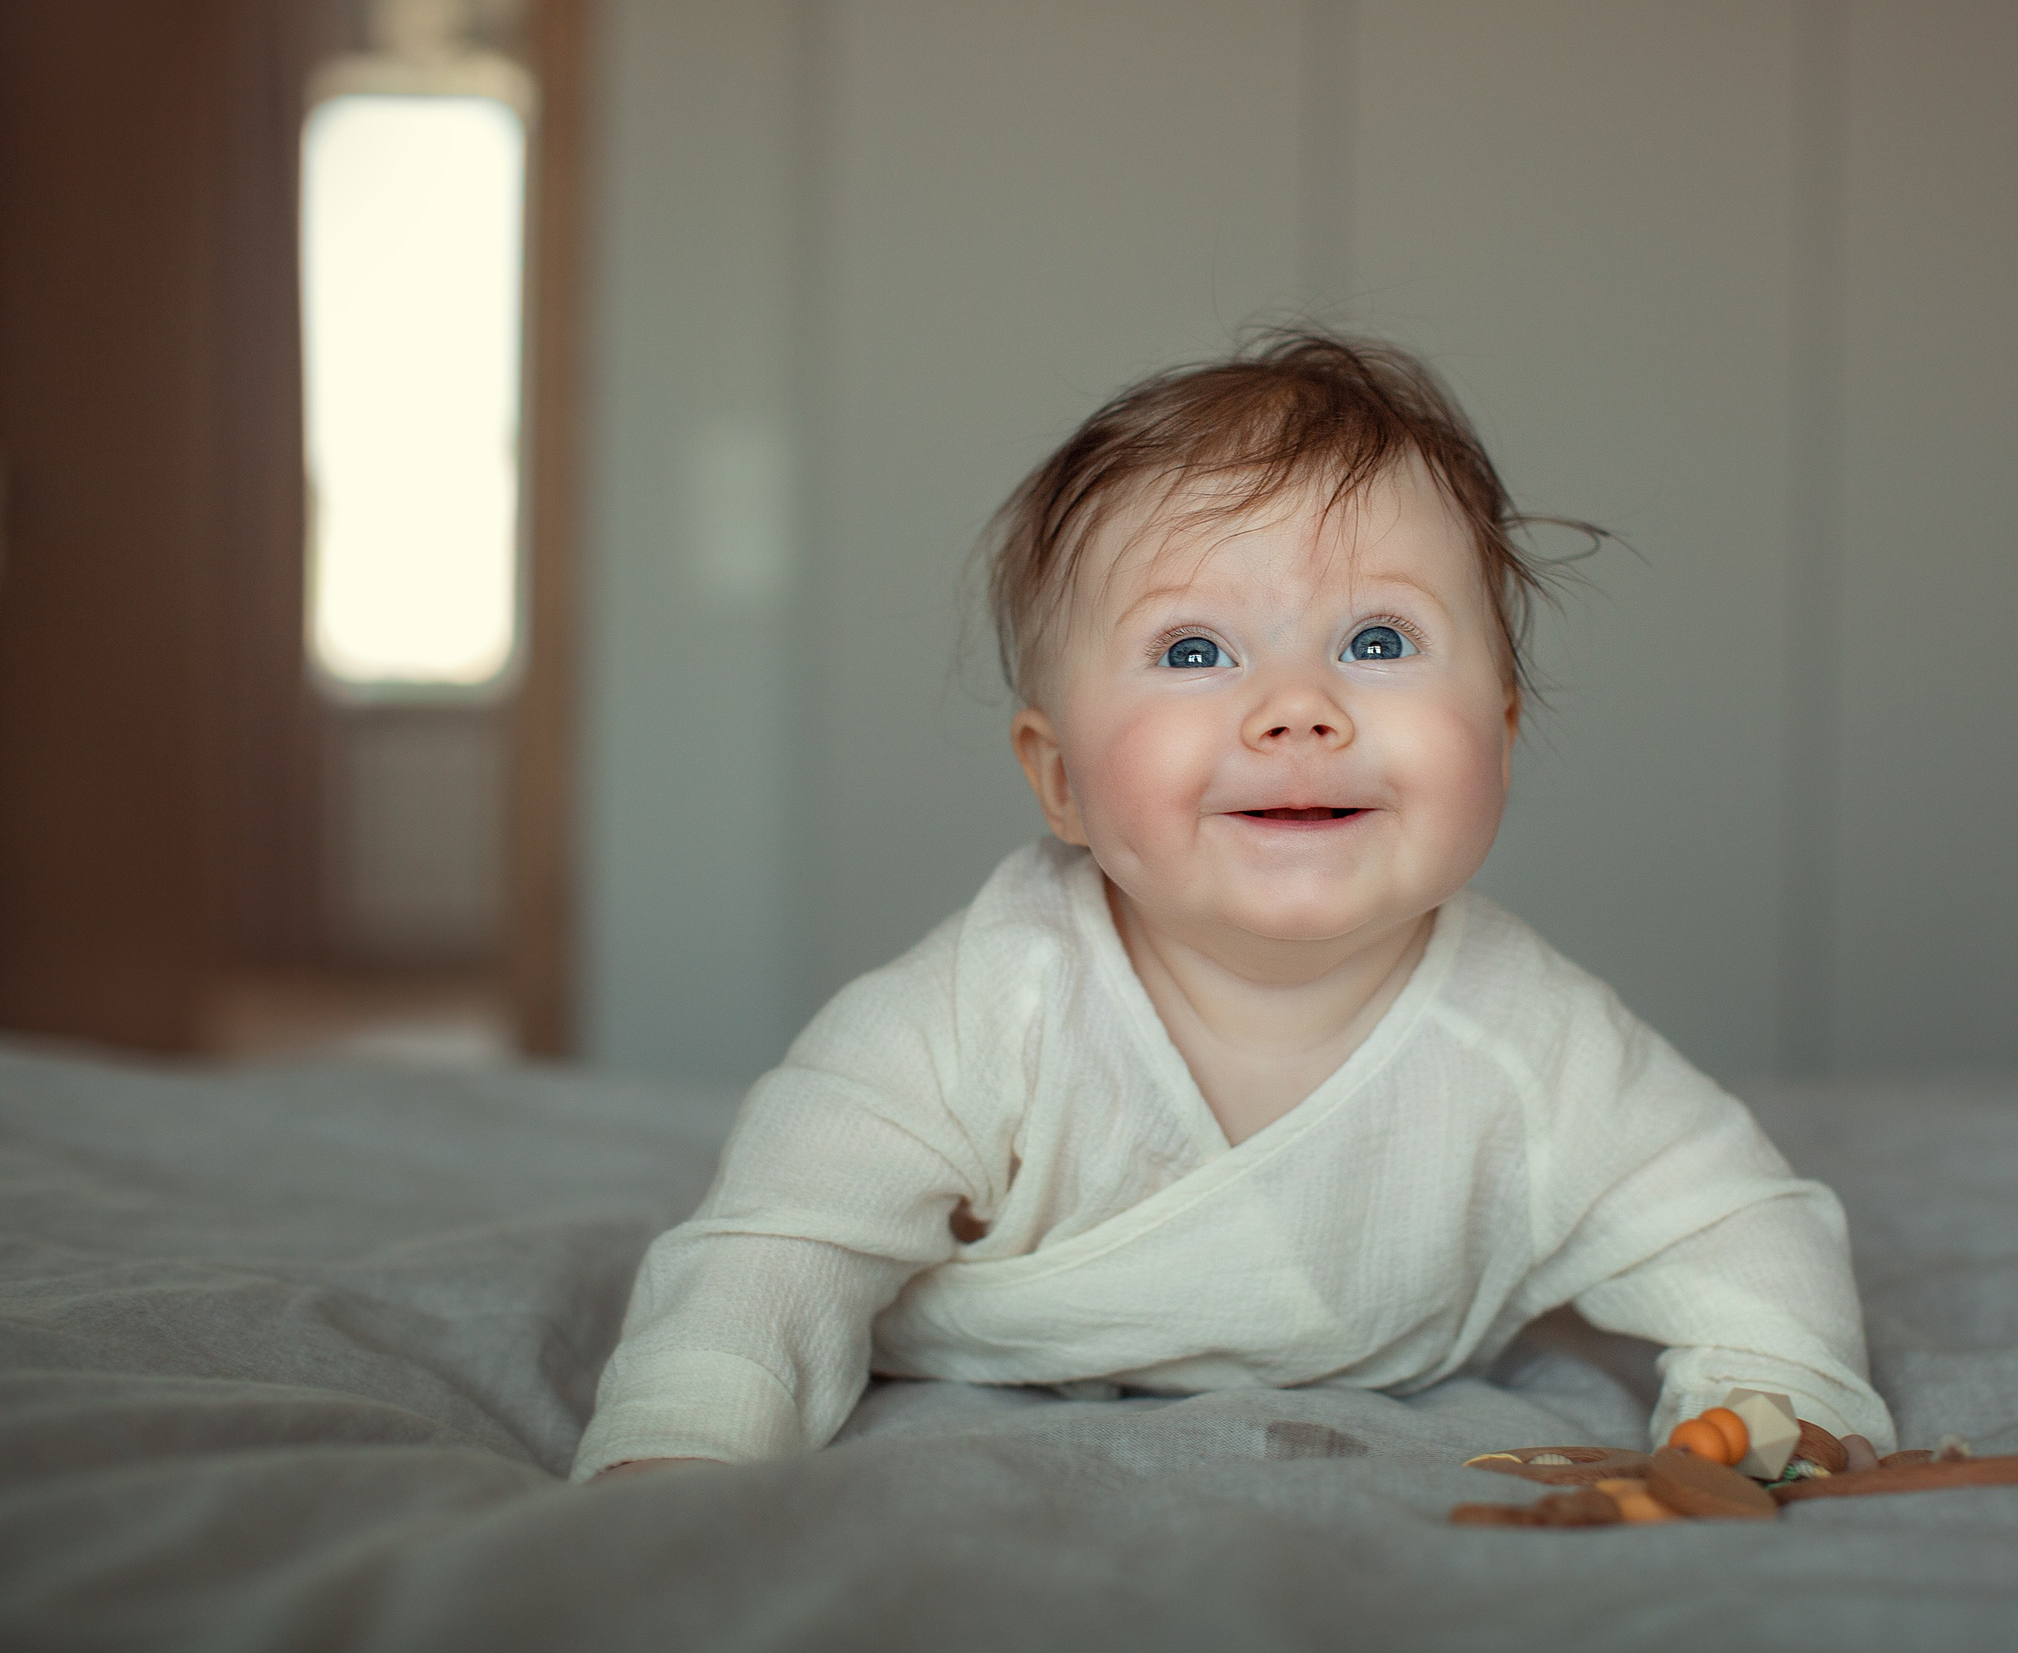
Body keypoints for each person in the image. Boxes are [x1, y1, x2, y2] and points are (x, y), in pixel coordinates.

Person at [574, 332, 1893, 1482]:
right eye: (1194, 651)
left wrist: (1769, 1391)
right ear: (1061, 778)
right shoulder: (987, 1003)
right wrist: (686, 1440)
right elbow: (779, 1237)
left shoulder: (1532, 1041)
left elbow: (1735, 1220)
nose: (1298, 706)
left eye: (1378, 641)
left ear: (1500, 728)